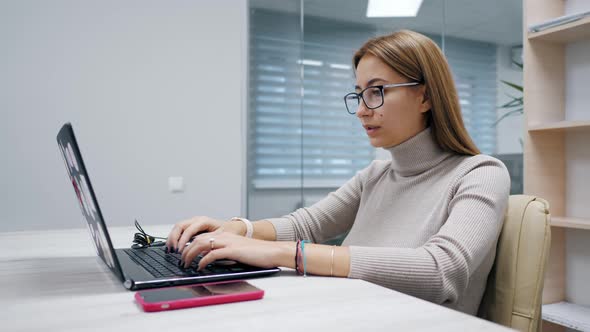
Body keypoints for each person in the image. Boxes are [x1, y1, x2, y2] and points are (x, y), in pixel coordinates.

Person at [165, 29, 510, 315]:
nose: (361, 110)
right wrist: (237, 228)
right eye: (359, 94)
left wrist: (284, 253)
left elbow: (440, 270)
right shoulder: (374, 176)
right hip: (351, 313)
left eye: (376, 92)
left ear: (425, 97)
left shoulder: (480, 173)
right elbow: (306, 225)